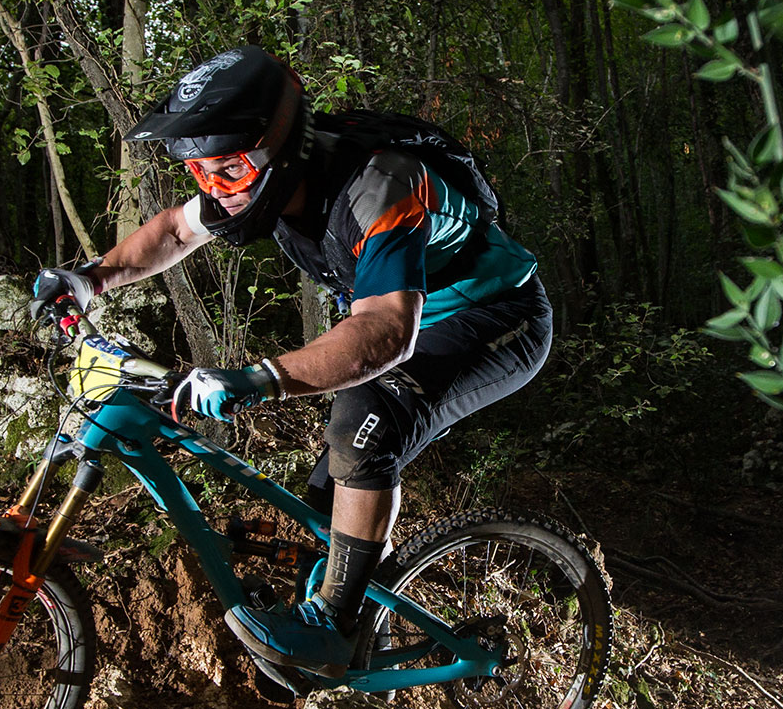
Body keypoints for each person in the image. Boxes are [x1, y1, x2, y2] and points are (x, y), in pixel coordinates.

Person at [29, 46, 552, 677]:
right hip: (409, 317)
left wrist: (261, 377)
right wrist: (89, 279)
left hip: (497, 317)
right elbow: (172, 230)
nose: (218, 187)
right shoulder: (251, 178)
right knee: (327, 492)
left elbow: (385, 331)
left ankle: (334, 626)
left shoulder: (382, 184)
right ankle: (364, 638)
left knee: (365, 425)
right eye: (203, 173)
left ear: (278, 149)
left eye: (229, 168)